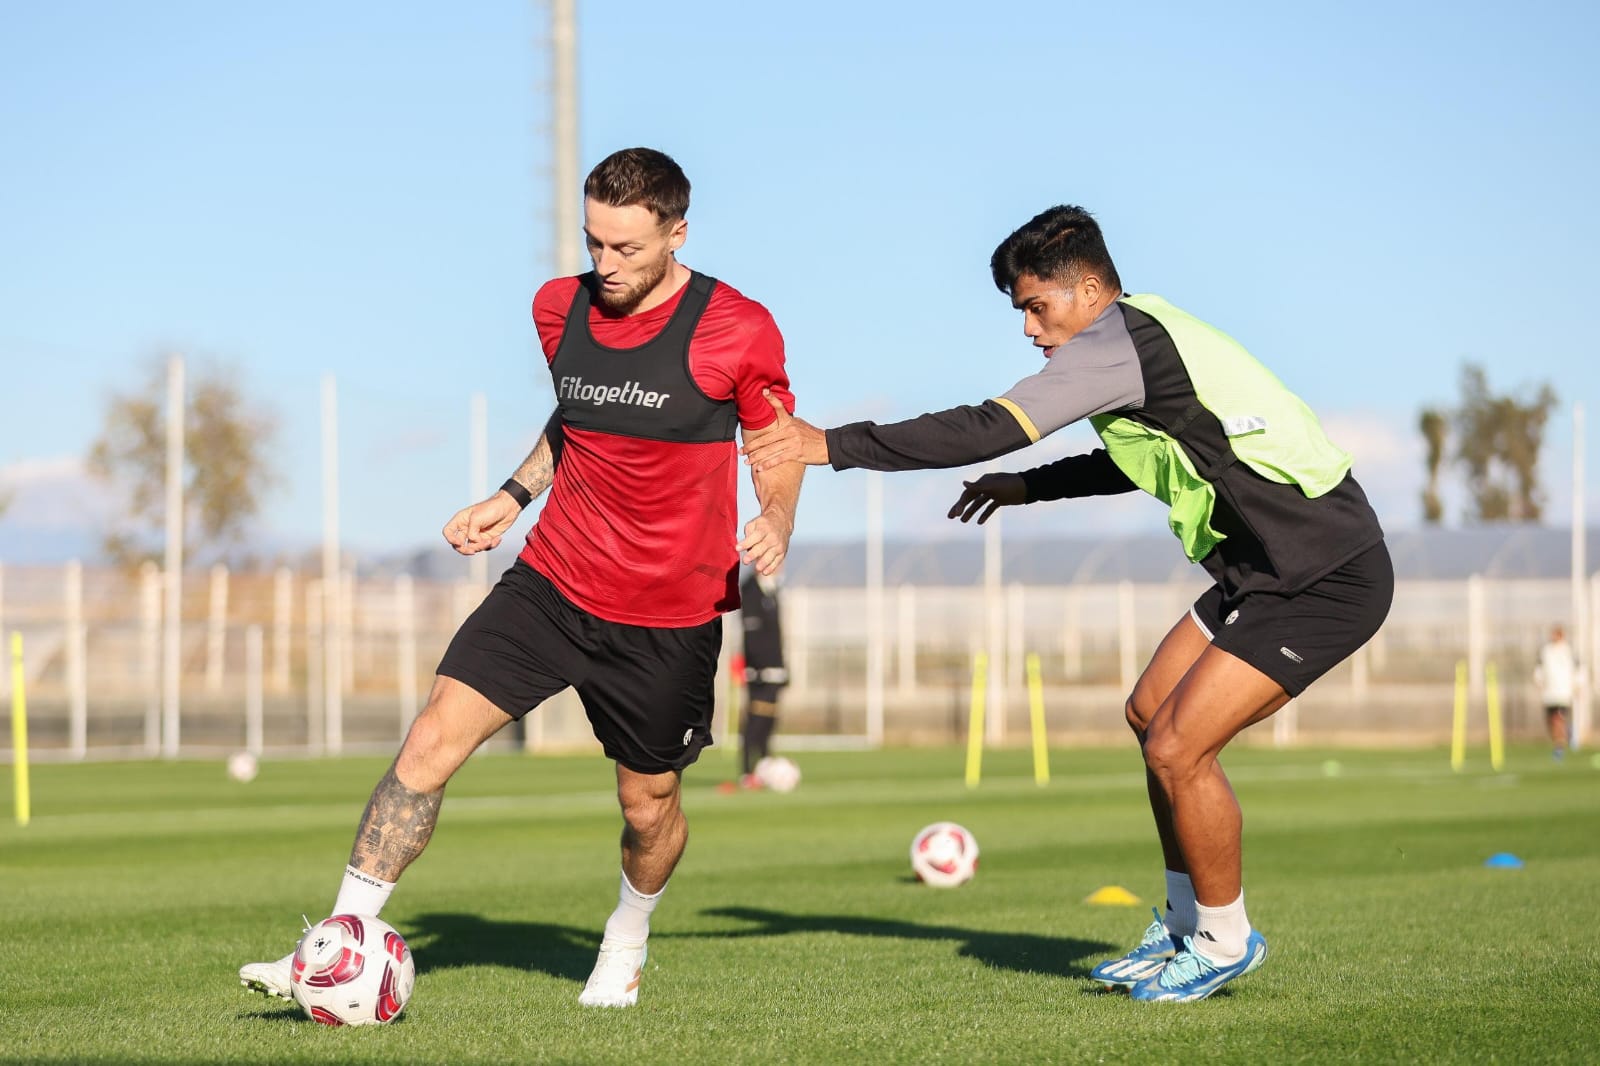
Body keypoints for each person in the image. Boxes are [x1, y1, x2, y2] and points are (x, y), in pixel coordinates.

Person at [742, 204, 1393, 1003]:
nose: (1028, 326)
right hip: (1261, 573)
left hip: (1325, 572)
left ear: (1087, 290)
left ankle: (1226, 939)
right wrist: (1029, 488)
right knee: (1152, 712)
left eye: (1034, 305)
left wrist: (831, 445)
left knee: (1179, 747)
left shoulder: (1113, 344)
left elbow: (990, 425)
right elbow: (1134, 457)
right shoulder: (1140, 339)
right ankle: (1186, 925)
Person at [240, 147, 804, 1009]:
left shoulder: (737, 327)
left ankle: (627, 935)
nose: (605, 266)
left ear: (677, 233)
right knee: (429, 742)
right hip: (551, 579)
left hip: (666, 614)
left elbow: (773, 438)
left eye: (627, 249)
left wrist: (775, 517)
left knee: (648, 809)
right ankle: (334, 943)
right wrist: (514, 494)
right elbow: (578, 413)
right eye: (593, 244)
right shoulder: (557, 307)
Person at [736, 564, 788, 787]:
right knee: (755, 722)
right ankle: (747, 771)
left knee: (769, 722)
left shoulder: (772, 590)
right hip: (759, 672)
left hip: (774, 670)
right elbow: (753, 636)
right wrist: (758, 667)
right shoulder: (751, 591)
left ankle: (765, 767)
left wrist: (781, 668)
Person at [1533, 624, 1576, 759]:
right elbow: (1539, 668)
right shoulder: (1546, 651)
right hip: (1549, 693)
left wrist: (1578, 685)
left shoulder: (1568, 651)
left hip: (1563, 692)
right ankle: (1567, 733)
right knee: (1551, 721)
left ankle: (1559, 749)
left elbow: (1578, 669)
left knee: (1558, 719)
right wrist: (1538, 681)